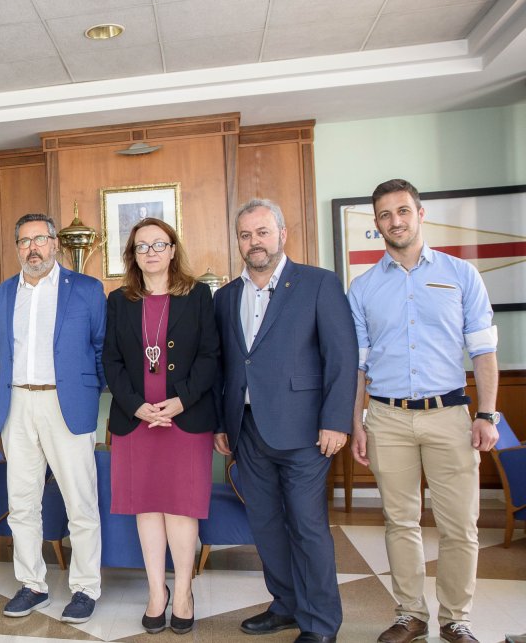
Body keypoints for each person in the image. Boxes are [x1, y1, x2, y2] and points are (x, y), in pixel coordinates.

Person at [348, 179, 500, 643]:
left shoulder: (461, 274)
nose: (395, 221)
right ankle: (409, 614)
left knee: (459, 525)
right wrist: (356, 422)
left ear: (420, 213)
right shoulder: (363, 287)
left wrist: (487, 414)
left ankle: (457, 618)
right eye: (384, 215)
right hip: (388, 418)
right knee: (400, 521)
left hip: (450, 415)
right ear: (376, 224)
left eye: (402, 211)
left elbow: (484, 352)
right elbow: (357, 365)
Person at [213, 199, 357, 643]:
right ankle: (286, 604)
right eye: (245, 234)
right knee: (266, 523)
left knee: (307, 525)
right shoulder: (226, 296)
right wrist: (223, 422)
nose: (253, 242)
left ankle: (320, 623)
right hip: (247, 429)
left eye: (261, 232)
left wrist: (336, 421)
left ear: (282, 234)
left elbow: (342, 356)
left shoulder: (318, 284)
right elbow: (226, 365)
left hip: (305, 431)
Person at [103, 218, 219, 635]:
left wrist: (181, 400)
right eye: (141, 246)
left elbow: (211, 355)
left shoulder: (199, 295)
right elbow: (111, 361)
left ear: (173, 250)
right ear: (132, 256)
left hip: (185, 420)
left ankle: (183, 592)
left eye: (159, 244)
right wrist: (136, 407)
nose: (151, 252)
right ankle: (157, 592)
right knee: (146, 507)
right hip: (136, 424)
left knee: (182, 507)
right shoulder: (119, 301)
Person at [0, 213, 106, 624]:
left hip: (67, 405)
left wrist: (85, 395)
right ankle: (32, 584)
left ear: (55, 243)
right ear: (17, 247)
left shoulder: (88, 291)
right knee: (21, 501)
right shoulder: (3, 293)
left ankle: (85, 588)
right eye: (24, 241)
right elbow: (1, 353)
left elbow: (100, 350)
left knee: (81, 501)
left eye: (40, 239)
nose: (32, 248)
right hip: (17, 405)